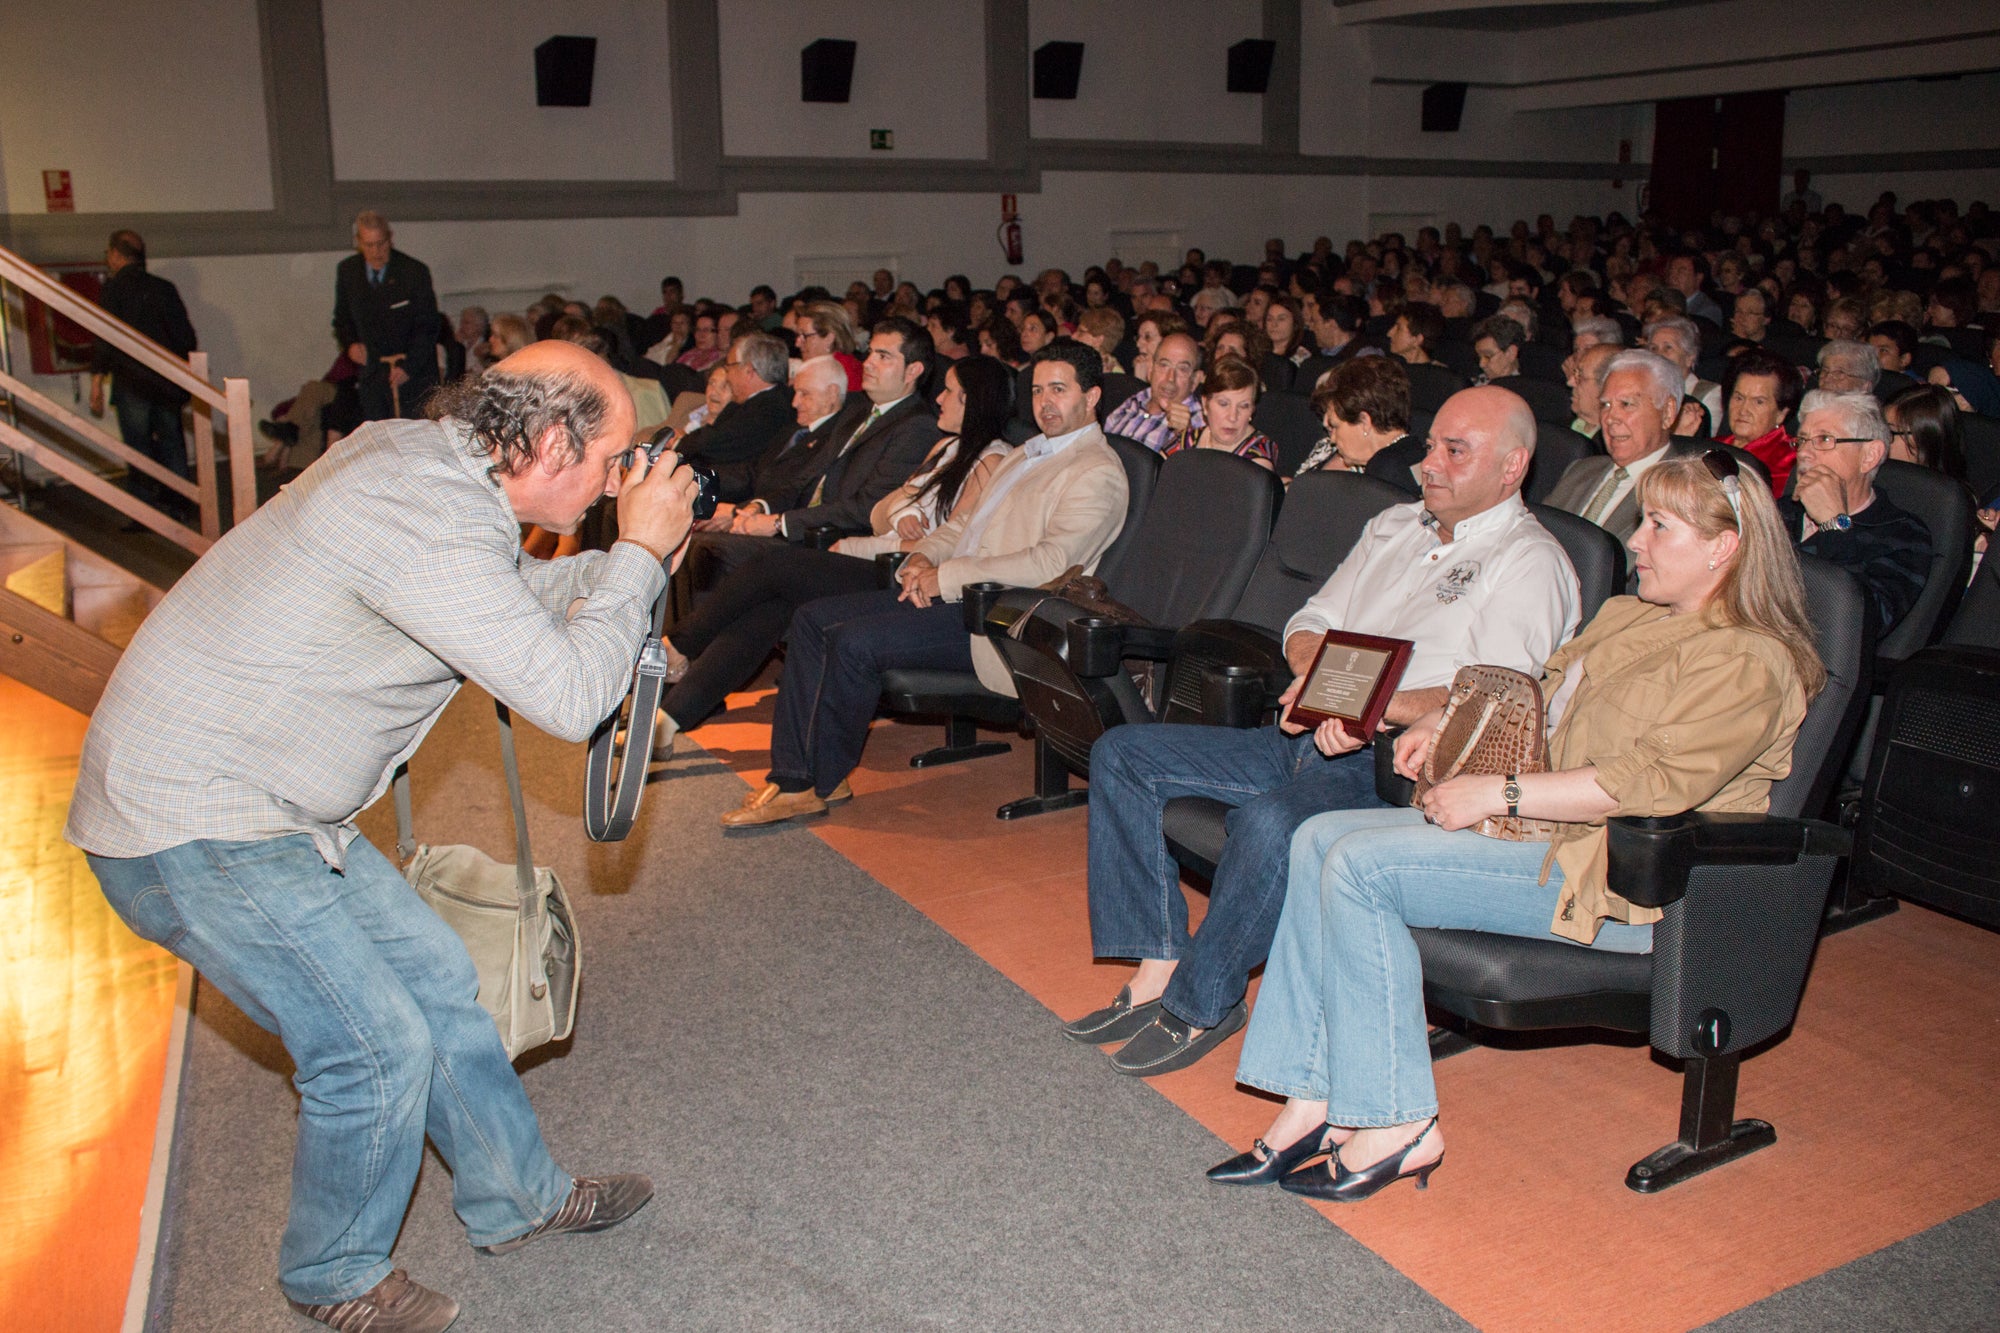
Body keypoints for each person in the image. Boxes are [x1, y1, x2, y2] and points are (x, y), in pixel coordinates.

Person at [66, 342, 701, 1330]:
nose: (620, 480)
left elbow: (487, 602)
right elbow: (570, 697)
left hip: (268, 806)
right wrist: (633, 558)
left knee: (440, 988)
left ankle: (518, 1197)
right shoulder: (425, 516)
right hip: (193, 820)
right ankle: (332, 1275)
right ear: (544, 443)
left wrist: (602, 578)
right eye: (612, 458)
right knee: (371, 1046)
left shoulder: (419, 459)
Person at [1217, 451, 1821, 1200]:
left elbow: (1645, 785)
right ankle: (1312, 1097)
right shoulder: (1630, 616)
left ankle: (1399, 1121)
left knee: (1359, 866)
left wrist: (1495, 793)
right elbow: (1534, 691)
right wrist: (1446, 719)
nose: (1635, 541)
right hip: (1543, 842)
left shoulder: (1752, 662)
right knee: (1318, 837)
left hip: (1621, 881)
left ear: (1722, 547)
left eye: (1659, 527)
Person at [1068, 386, 1580, 1077]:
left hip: (1397, 769)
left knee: (1273, 824)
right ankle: (1160, 962)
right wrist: (1320, 684)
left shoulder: (1530, 561)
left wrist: (1366, 709)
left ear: (1513, 466)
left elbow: (1493, 699)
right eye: (1431, 446)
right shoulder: (1394, 526)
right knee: (1124, 753)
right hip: (1313, 734)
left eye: (1455, 452)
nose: (1429, 463)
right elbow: (1308, 620)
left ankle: (1203, 1002)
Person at [718, 341, 1128, 828]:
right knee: (810, 618)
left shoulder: (1097, 471)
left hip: (1001, 619)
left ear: (1093, 396)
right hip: (961, 596)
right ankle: (801, 773)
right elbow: (962, 526)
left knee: (851, 642)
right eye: (1038, 390)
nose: (1044, 402)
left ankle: (805, 783)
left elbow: (1050, 563)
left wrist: (946, 577)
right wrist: (921, 557)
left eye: (1059, 390)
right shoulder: (1025, 454)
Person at [656, 357, 1015, 739]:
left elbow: (956, 542)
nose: (939, 398)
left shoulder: (990, 460)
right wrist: (900, 513)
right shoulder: (946, 448)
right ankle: (672, 717)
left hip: (904, 574)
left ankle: (678, 646)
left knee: (774, 566)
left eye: (949, 391)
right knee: (773, 608)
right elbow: (880, 512)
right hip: (878, 553)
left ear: (973, 401)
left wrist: (900, 525)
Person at [1781, 390, 1933, 638]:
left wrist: (1834, 525)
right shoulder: (1778, 510)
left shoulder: (1902, 535)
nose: (1804, 453)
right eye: (1802, 440)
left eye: (1824, 439)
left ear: (1869, 456)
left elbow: (1862, 623)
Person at [88, 229, 198, 520]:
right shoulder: (165, 288)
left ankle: (144, 511)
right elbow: (185, 337)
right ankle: (180, 502)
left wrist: (97, 379)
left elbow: (105, 337)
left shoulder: (113, 290)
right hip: (166, 380)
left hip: (131, 381)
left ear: (115, 254)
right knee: (173, 441)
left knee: (138, 447)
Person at [1544, 350, 1692, 543]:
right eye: (1605, 405)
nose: (1610, 418)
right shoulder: (1581, 469)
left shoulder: (1682, 494)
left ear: (1667, 412)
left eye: (1626, 404)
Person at [332, 211, 441, 422]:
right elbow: (342, 319)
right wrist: (351, 344)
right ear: (358, 242)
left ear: (390, 237)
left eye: (381, 244)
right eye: (369, 245)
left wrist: (408, 367)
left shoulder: (414, 272)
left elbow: (428, 326)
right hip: (374, 373)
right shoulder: (348, 271)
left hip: (413, 371)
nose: (376, 252)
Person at [1291, 356, 1411, 479]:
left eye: (1335, 426)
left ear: (1364, 422)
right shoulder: (1408, 458)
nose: (1332, 439)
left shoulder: (1387, 478)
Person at [1715, 348, 1803, 495]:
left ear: (1781, 414)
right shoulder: (1712, 446)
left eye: (1758, 402)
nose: (1743, 410)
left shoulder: (1791, 460)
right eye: (1739, 398)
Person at [1163, 355, 1273, 469]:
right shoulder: (1186, 440)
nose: (1232, 417)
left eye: (1244, 406)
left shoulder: (1259, 455)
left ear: (1252, 411)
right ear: (1205, 404)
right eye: (1223, 404)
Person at [1104, 331, 1205, 452]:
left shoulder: (1198, 423)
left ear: (1195, 380)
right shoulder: (1134, 401)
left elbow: (1195, 467)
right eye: (1164, 365)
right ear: (1151, 369)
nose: (1170, 378)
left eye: (1182, 369)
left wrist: (1186, 437)